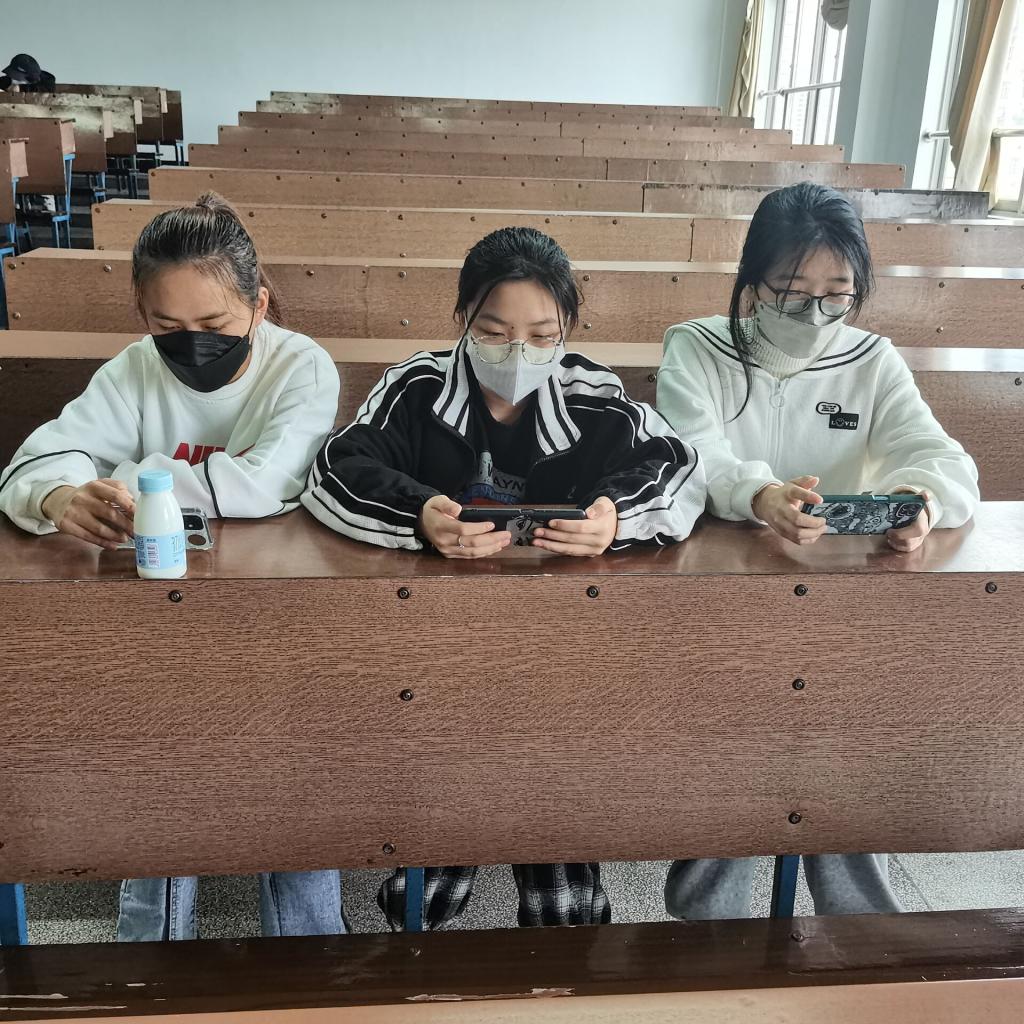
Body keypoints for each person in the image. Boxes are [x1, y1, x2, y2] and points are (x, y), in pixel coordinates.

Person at [303, 225, 706, 929]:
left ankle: (546, 859)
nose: (518, 354)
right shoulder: (416, 387)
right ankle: (448, 851)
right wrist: (418, 515)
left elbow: (675, 464)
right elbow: (337, 467)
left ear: (567, 329)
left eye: (542, 336)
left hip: (562, 660)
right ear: (462, 318)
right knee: (433, 861)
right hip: (440, 657)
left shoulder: (592, 393)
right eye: (493, 332)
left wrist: (614, 518)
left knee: (562, 888)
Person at [0, 192, 344, 940]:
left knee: (295, 787)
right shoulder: (133, 370)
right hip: (157, 621)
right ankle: (149, 949)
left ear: (258, 304)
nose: (191, 345)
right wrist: (61, 495)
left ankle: (311, 948)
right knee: (157, 775)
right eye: (167, 327)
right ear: (142, 315)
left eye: (215, 326)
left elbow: (265, 483)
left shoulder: (301, 366)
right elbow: (39, 458)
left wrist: (130, 477)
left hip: (277, 625)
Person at [656, 182, 979, 920]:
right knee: (743, 746)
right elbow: (687, 454)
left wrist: (920, 502)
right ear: (753, 284)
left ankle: (861, 930)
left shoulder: (872, 360)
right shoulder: (696, 346)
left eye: (837, 295)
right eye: (792, 291)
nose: (814, 314)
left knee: (839, 743)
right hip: (723, 607)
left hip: (840, 611)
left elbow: (942, 459)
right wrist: (760, 495)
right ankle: (711, 927)